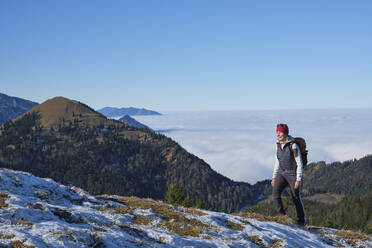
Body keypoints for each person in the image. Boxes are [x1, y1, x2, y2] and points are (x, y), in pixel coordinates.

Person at [271, 123, 306, 226]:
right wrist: (274, 176)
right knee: (275, 195)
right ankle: (282, 217)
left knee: (295, 198)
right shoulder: (278, 145)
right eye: (277, 132)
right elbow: (277, 161)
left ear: (285, 133)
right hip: (281, 173)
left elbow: (299, 163)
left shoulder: (293, 146)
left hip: (292, 174)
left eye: (280, 132)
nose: (278, 135)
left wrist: (298, 179)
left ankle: (301, 221)